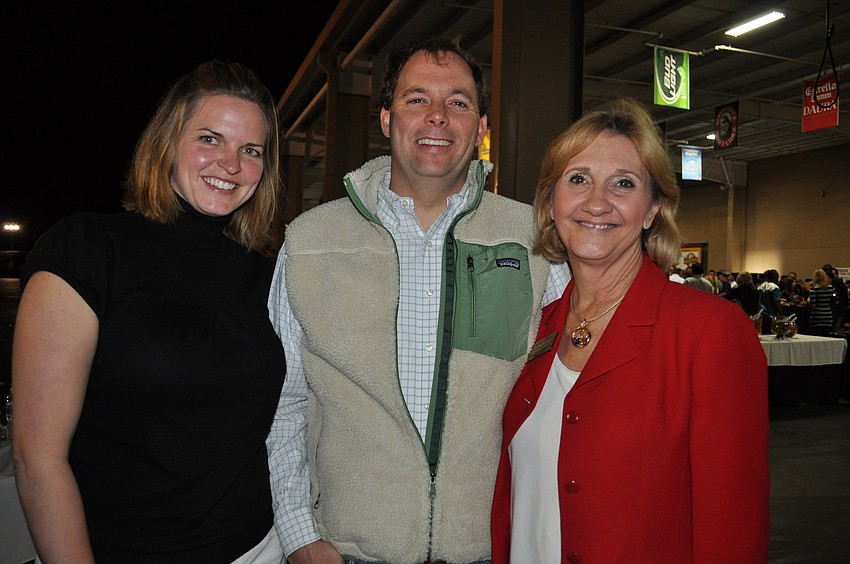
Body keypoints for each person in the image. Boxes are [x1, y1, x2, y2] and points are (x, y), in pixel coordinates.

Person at [266, 37, 570, 564]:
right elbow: (284, 404)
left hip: (490, 549)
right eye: (415, 99)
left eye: (458, 102)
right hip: (347, 551)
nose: (437, 117)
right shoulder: (310, 243)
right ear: (385, 119)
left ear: (480, 128)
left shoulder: (534, 241)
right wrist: (299, 537)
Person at [11, 61, 287, 563]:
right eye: (210, 139)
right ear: (167, 143)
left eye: (251, 150)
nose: (231, 163)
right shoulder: (88, 249)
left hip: (258, 550)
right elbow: (38, 457)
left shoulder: (266, 276)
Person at [490, 98, 769, 563]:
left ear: (653, 208)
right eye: (578, 179)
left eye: (623, 183)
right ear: (551, 200)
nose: (597, 202)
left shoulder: (708, 332)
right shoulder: (536, 326)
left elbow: (733, 526)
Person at [808, 269, 835, 336]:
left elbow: (813, 304)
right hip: (828, 316)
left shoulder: (814, 289)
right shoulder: (831, 288)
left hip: (817, 317)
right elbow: (834, 300)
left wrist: (808, 301)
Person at [823, 264, 847, 332]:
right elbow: (844, 295)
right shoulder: (839, 282)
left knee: (835, 328)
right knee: (836, 328)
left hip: (835, 309)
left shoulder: (835, 283)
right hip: (838, 308)